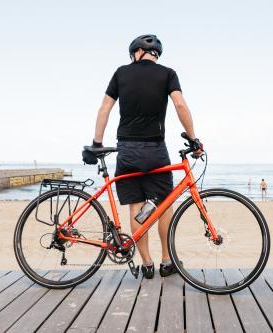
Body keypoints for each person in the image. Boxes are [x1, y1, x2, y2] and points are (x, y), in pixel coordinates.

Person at [82, 35, 202, 279]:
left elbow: (104, 108)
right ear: (154, 53)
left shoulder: (121, 73)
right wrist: (193, 139)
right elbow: (180, 105)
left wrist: (97, 142)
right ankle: (167, 261)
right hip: (155, 150)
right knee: (164, 204)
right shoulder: (168, 74)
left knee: (136, 206)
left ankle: (146, 263)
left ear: (137, 52)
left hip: (127, 150)